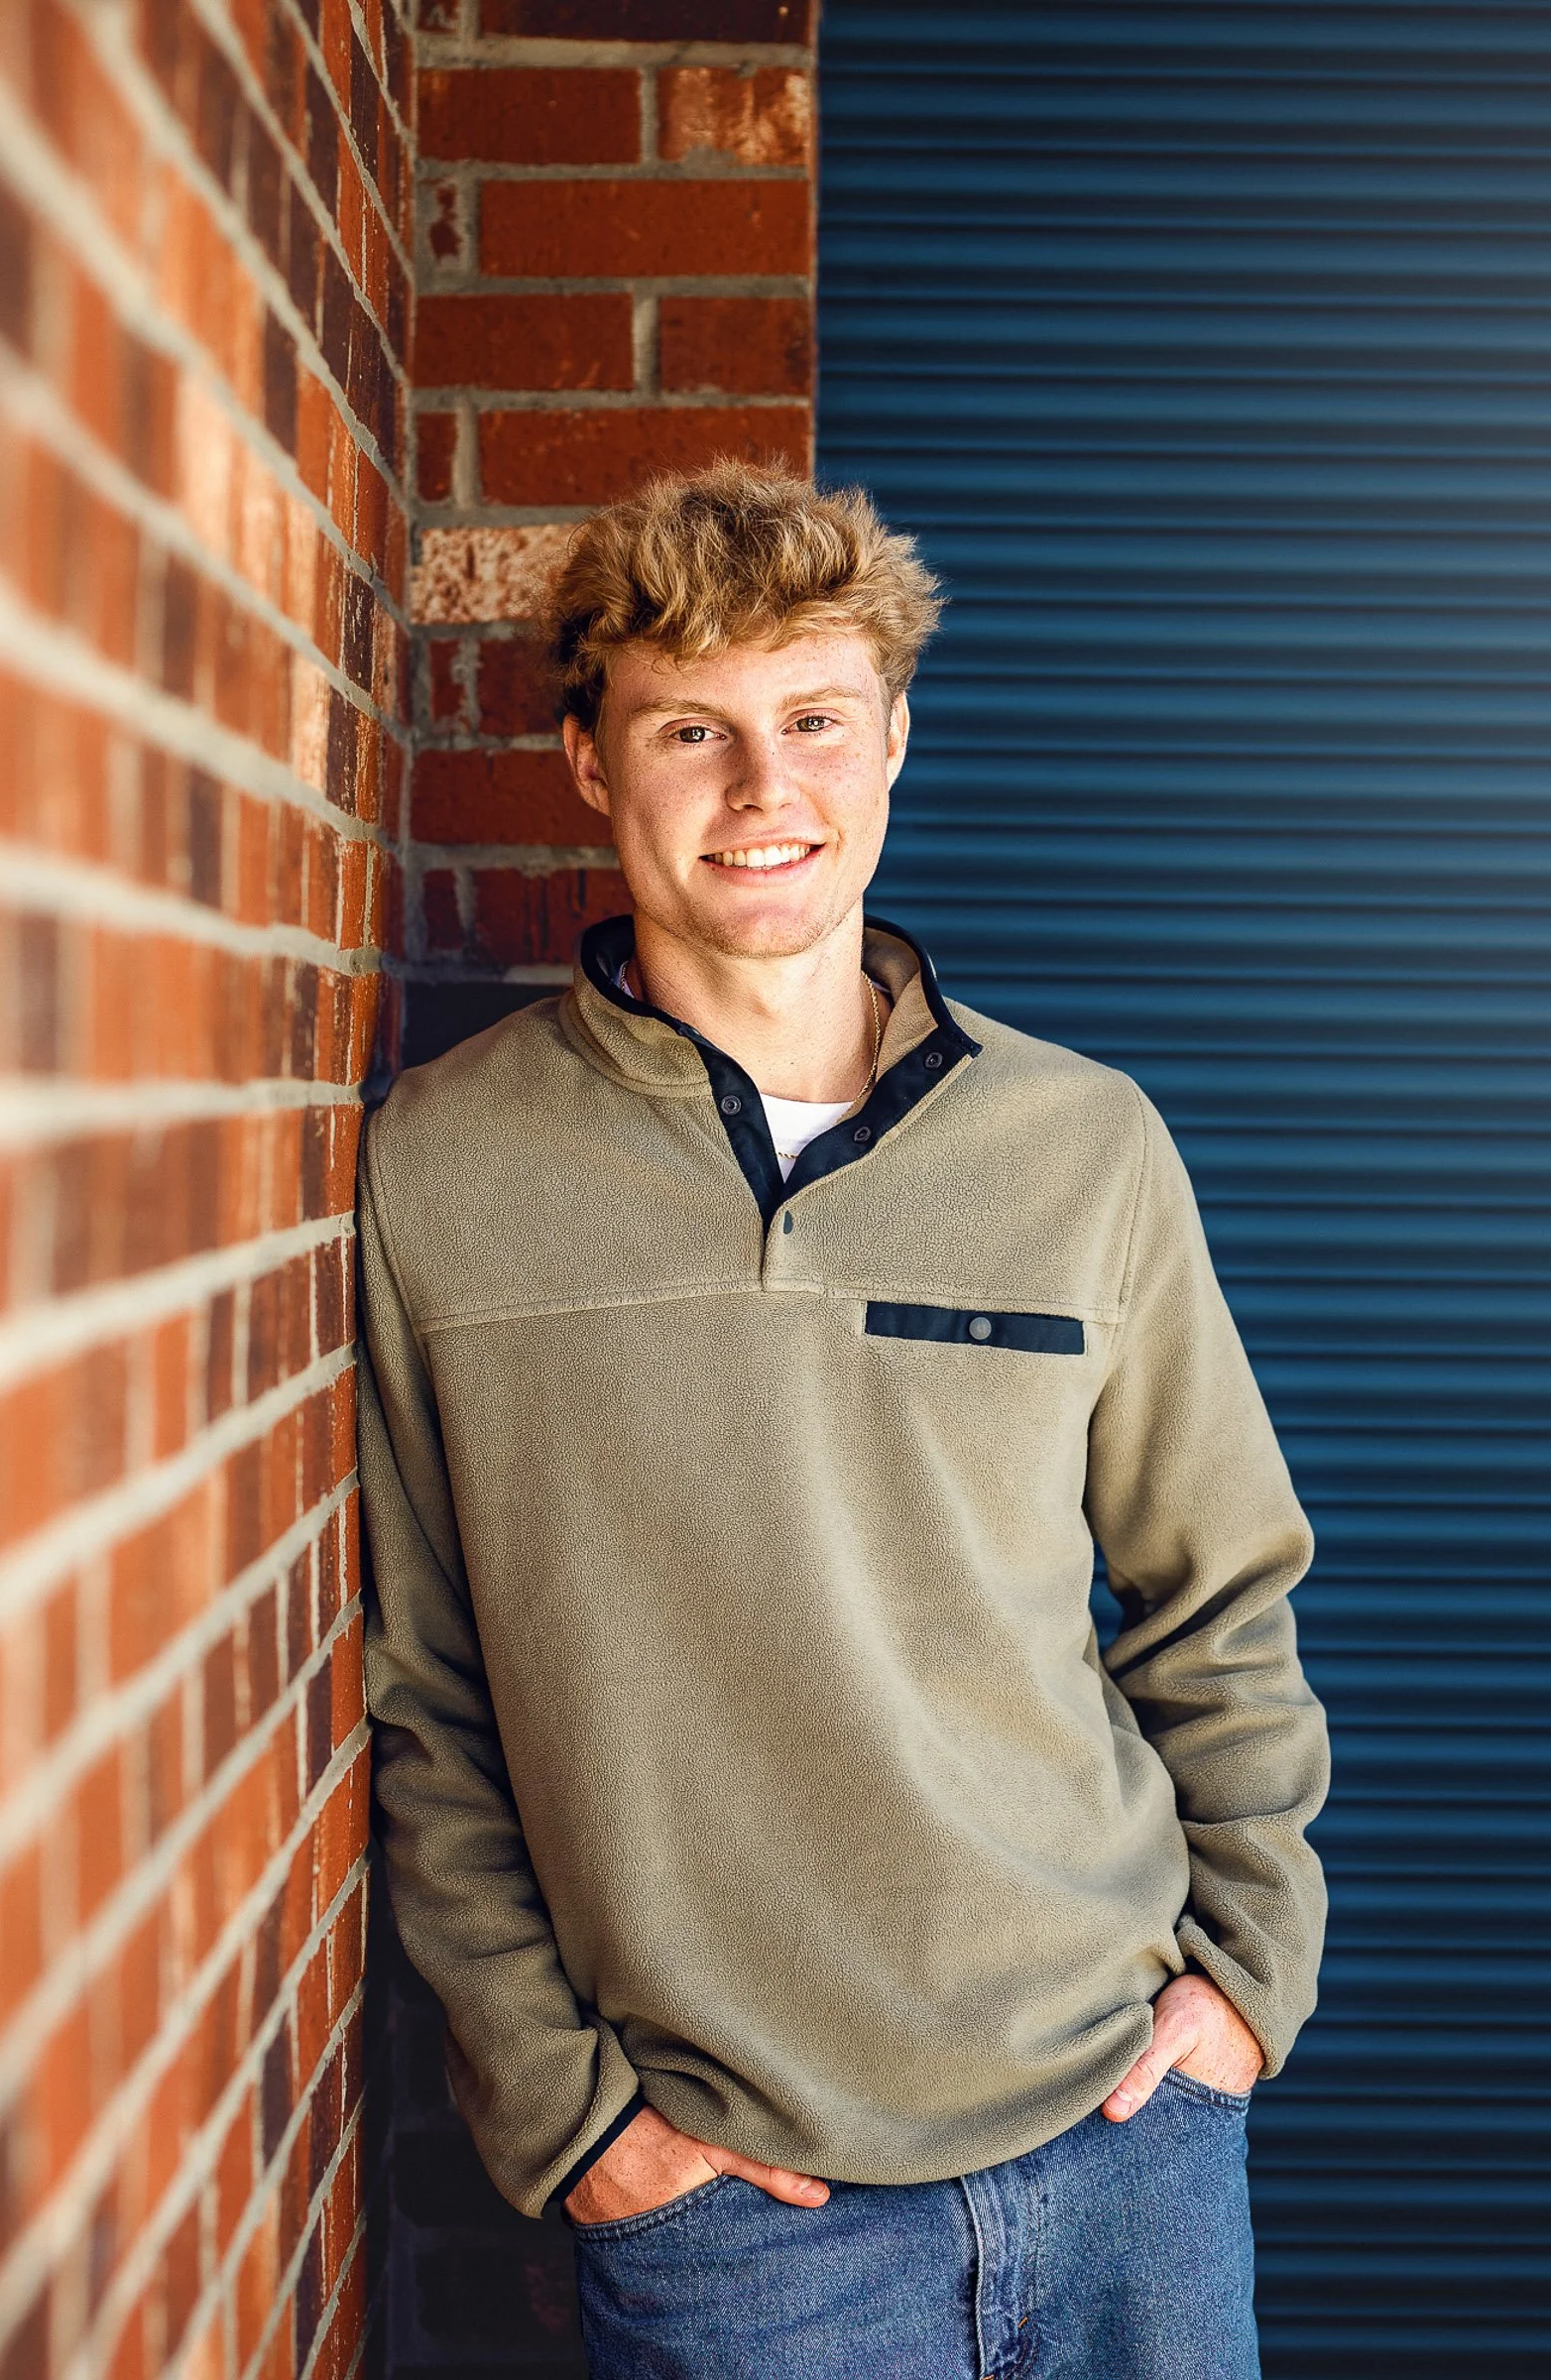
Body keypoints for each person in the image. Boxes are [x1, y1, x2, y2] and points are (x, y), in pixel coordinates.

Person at [357, 462, 1330, 2379]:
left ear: (890, 739)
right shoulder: (443, 1170)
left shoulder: (1083, 1147)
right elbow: (424, 1692)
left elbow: (1221, 1599)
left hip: (1129, 2135)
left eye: (811, 720)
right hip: (739, 2215)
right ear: (583, 762)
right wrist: (579, 2121)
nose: (759, 791)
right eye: (688, 732)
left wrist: (1244, 1983)